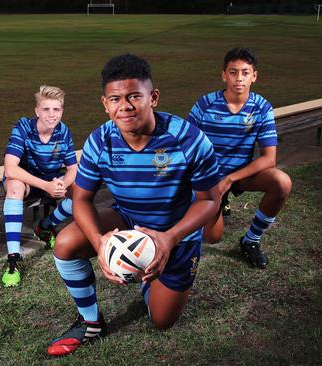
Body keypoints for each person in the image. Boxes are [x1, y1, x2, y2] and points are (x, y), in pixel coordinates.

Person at [46, 54, 221, 356]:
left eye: (133, 97)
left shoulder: (188, 138)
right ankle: (91, 321)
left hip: (176, 232)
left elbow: (210, 201)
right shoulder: (100, 141)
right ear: (105, 103)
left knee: (162, 320)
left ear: (152, 97)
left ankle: (147, 272)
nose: (124, 106)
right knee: (65, 243)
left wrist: (170, 238)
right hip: (128, 218)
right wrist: (100, 242)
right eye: (115, 99)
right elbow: (82, 199)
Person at [186, 47, 292, 269]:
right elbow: (187, 146)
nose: (239, 78)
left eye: (245, 72)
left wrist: (231, 179)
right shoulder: (205, 104)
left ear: (254, 76)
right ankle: (218, 203)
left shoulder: (262, 107)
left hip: (241, 175)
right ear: (224, 75)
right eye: (233, 72)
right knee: (212, 237)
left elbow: (268, 159)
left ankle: (250, 241)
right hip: (210, 178)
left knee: (281, 182)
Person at [1, 85, 78, 287]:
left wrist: (63, 184)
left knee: (80, 188)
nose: (51, 115)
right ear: (37, 111)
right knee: (15, 186)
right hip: (27, 181)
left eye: (56, 109)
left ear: (62, 111)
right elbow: (10, 168)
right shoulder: (23, 127)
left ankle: (46, 226)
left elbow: (73, 168)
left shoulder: (63, 131)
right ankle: (13, 259)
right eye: (46, 109)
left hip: (51, 180)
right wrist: (46, 186)